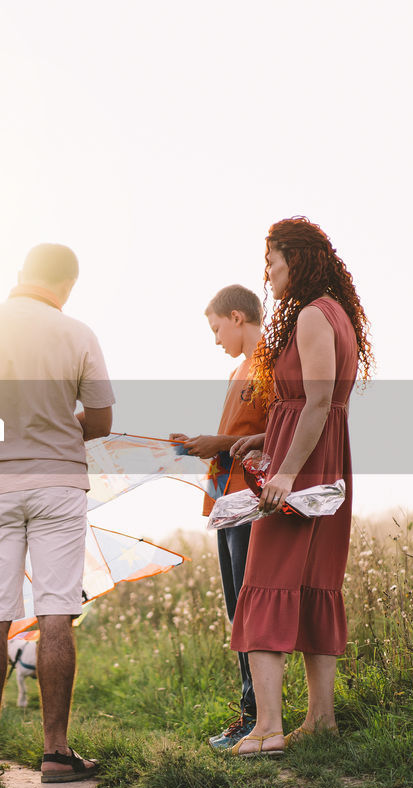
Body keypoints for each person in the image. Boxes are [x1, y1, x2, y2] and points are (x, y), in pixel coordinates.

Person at [0, 243, 114, 781]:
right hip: (58, 484)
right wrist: (55, 426)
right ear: (68, 285)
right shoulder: (78, 333)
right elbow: (101, 421)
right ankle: (56, 753)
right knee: (56, 612)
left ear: (21, 275)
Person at [227, 217, 372, 756]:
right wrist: (268, 437)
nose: (267, 272)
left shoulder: (312, 315)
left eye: (272, 260)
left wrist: (284, 472)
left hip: (301, 473)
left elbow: (314, 404)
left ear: (297, 259)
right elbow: (322, 407)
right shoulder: (337, 313)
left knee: (264, 583)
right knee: (313, 585)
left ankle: (266, 729)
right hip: (325, 461)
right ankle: (321, 722)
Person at [169, 284, 268, 751]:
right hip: (225, 502)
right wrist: (200, 444)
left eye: (215, 329)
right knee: (236, 612)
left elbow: (284, 428)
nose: (215, 340)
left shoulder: (274, 363)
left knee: (250, 611)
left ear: (236, 316)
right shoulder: (237, 371)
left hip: (253, 501)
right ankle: (250, 714)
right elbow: (235, 436)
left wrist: (218, 441)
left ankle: (259, 720)